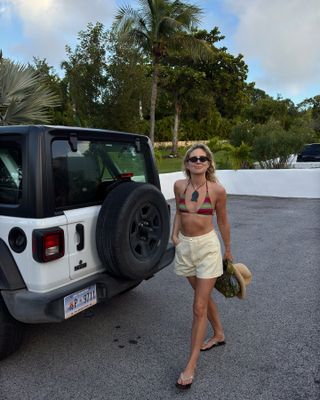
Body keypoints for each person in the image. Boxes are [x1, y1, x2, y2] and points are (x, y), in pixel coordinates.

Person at [172, 143, 232, 389]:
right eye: (193, 158)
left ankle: (191, 365)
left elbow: (223, 221)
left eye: (202, 158)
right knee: (203, 298)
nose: (198, 161)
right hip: (185, 247)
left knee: (198, 306)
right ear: (187, 163)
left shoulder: (217, 190)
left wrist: (228, 249)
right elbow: (178, 211)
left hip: (208, 248)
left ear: (209, 164)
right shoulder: (179, 186)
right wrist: (174, 236)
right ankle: (218, 333)